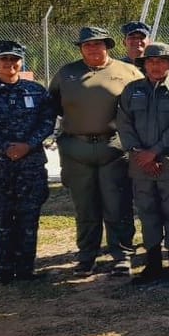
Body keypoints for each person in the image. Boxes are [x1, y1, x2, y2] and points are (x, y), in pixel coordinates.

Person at [49, 26, 143, 277]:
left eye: (98, 44)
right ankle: (86, 256)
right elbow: (53, 105)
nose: (92, 48)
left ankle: (122, 255)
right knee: (85, 207)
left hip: (112, 147)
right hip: (76, 149)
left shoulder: (128, 72)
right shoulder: (67, 73)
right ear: (80, 48)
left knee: (118, 205)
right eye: (87, 44)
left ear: (108, 46)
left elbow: (139, 108)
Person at [0, 40, 56, 283]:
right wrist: (4, 147)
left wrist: (28, 145)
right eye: (4, 59)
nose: (9, 64)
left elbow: (47, 121)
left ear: (21, 62)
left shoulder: (36, 91)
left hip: (30, 165)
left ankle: (26, 271)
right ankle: (5, 271)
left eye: (14, 59)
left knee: (28, 218)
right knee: (1, 218)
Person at [116, 43, 169, 285]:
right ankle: (153, 263)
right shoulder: (131, 91)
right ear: (144, 64)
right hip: (140, 164)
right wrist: (140, 153)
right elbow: (124, 125)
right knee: (148, 213)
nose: (156, 65)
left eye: (161, 61)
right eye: (151, 61)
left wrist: (155, 152)